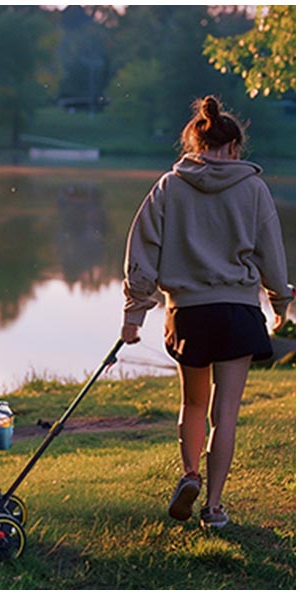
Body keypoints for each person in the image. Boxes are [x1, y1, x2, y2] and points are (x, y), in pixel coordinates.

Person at [120, 95, 294, 528]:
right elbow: (272, 252)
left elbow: (142, 248)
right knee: (226, 413)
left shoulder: (169, 186)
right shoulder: (253, 188)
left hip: (189, 313)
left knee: (193, 404)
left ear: (194, 144)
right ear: (234, 147)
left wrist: (134, 314)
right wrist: (280, 304)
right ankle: (214, 507)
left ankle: (190, 474)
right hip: (237, 311)